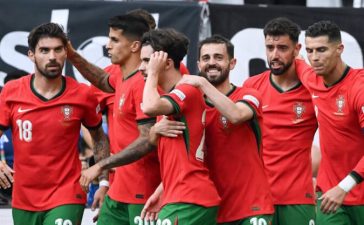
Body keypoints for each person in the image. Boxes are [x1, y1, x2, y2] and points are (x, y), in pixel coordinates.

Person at [0, 22, 109, 225]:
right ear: (31, 55)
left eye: (58, 49)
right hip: (24, 198)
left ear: (66, 53)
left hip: (67, 193)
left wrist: (104, 181)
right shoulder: (11, 92)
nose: (52, 56)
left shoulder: (82, 94)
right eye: (44, 50)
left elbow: (99, 138)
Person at [164, 34, 275, 224]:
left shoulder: (249, 95)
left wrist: (202, 83)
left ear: (232, 63)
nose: (212, 63)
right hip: (211, 210)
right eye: (206, 58)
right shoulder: (192, 106)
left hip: (250, 208)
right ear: (198, 64)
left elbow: (236, 115)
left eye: (218, 57)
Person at [67, 15, 162, 225]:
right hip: (118, 189)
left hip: (143, 188)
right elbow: (101, 79)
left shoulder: (144, 83)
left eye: (114, 40)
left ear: (135, 46)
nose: (107, 46)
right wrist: (72, 55)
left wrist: (101, 166)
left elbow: (148, 139)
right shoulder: (121, 76)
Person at [243, 18, 318, 225]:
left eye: (282, 48)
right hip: (259, 196)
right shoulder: (252, 86)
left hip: (298, 197)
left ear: (297, 49)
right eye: (270, 47)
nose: (274, 55)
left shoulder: (312, 89)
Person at [295, 20, 364, 225]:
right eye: (310, 50)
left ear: (339, 49)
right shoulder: (311, 78)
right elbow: (299, 62)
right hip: (329, 197)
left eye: (322, 50)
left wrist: (344, 187)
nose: (314, 58)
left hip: (354, 190)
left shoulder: (359, 89)